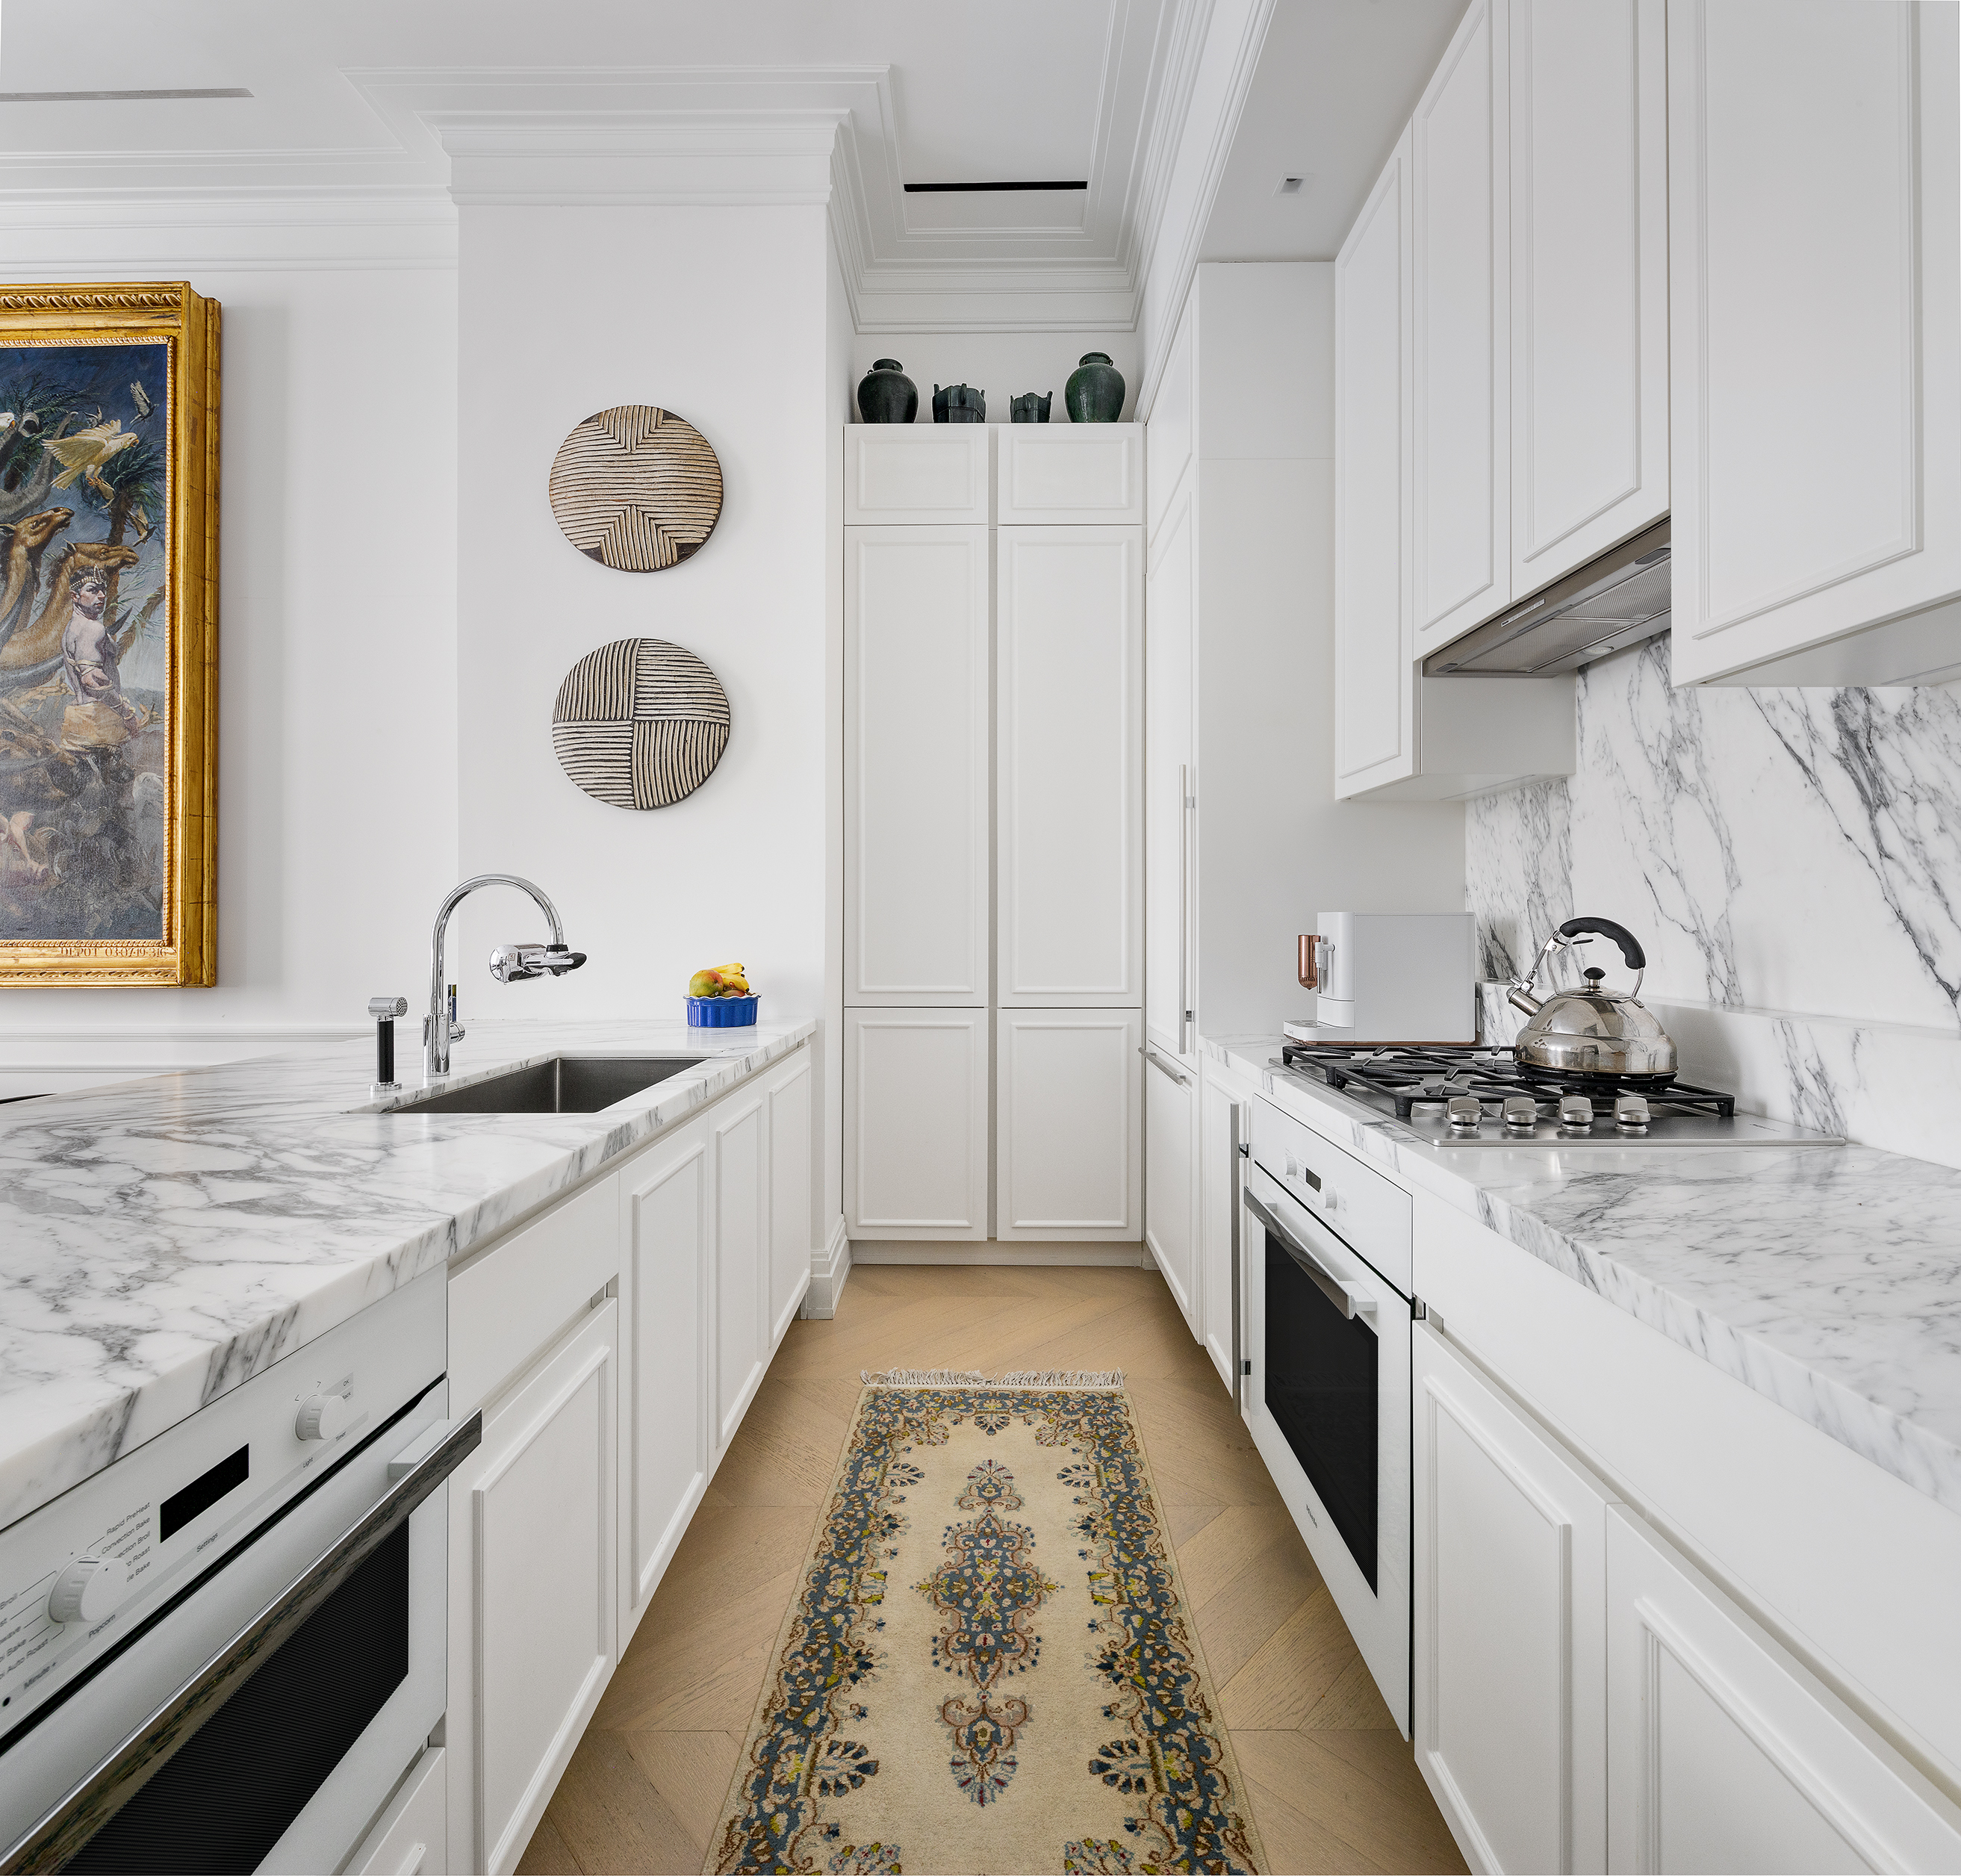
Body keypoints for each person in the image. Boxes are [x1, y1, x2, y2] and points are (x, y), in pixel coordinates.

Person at [60, 570, 139, 732]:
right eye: (93, 590)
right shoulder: (92, 628)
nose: (102, 595)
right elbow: (91, 679)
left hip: (80, 718)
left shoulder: (71, 628)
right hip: (101, 721)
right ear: (75, 596)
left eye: (102, 590)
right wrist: (126, 713)